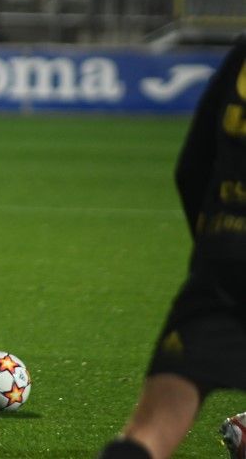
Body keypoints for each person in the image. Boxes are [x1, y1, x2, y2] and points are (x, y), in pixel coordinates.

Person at [97, 35, 246, 459]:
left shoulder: (243, 55)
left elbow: (192, 168)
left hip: (225, 260)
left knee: (148, 432)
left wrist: (216, 245)